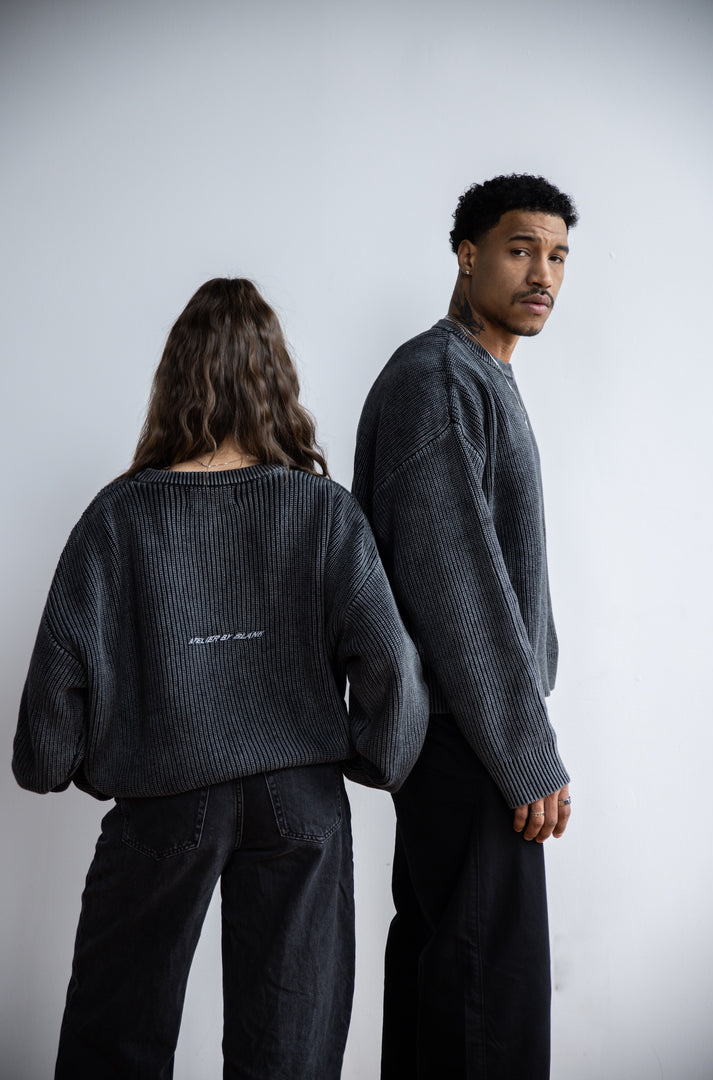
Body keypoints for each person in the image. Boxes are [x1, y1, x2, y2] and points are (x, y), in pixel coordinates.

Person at [13, 277, 428, 1080]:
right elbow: (389, 664)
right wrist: (376, 757)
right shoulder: (324, 512)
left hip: (163, 794)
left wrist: (57, 764)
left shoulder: (117, 518)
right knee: (289, 1054)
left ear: (173, 379)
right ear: (276, 380)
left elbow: (57, 686)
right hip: (301, 798)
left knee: (113, 1041)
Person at [352, 174, 577, 1079]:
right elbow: (458, 585)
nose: (543, 274)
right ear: (467, 254)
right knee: (487, 1002)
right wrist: (526, 752)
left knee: (449, 984)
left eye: (558, 256)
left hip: (466, 734)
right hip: (468, 741)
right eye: (521, 250)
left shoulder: (476, 375)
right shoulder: (441, 377)